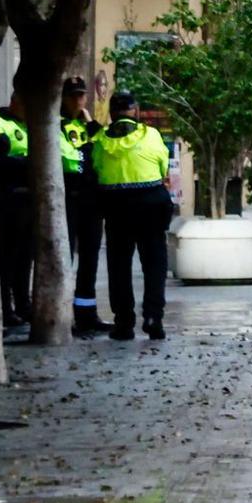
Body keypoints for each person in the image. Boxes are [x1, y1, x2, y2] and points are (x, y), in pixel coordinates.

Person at [91, 91, 173, 341]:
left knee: (119, 266)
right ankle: (153, 317)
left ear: (111, 113)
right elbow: (163, 165)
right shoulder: (151, 135)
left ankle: (124, 323)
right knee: (154, 264)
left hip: (116, 206)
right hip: (151, 203)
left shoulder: (100, 140)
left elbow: (96, 168)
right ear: (135, 111)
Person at [60, 77, 106, 337]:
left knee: (90, 258)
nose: (78, 100)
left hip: (91, 199)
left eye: (82, 95)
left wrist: (90, 122)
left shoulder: (87, 126)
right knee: (65, 256)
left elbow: (104, 147)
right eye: (73, 96)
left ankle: (87, 314)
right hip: (68, 196)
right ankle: (63, 315)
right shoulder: (56, 124)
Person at [0, 90, 33, 334]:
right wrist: (24, 164)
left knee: (25, 257)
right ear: (15, 102)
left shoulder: (29, 125)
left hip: (28, 200)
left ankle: (23, 305)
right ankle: (5, 308)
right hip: (9, 199)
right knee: (8, 258)